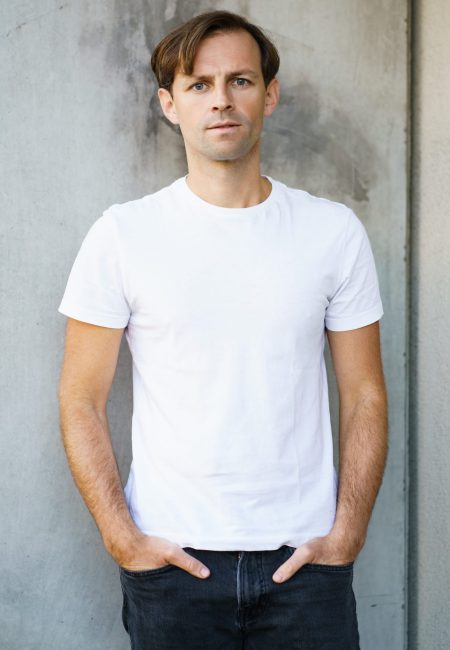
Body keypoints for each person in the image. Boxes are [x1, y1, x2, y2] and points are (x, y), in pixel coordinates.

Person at [57, 9, 388, 649]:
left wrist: (347, 532)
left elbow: (365, 395)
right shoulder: (123, 234)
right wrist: (122, 538)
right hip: (173, 563)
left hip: (306, 565)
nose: (221, 100)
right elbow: (80, 398)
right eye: (199, 84)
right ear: (170, 104)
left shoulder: (332, 232)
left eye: (240, 80)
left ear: (270, 94)